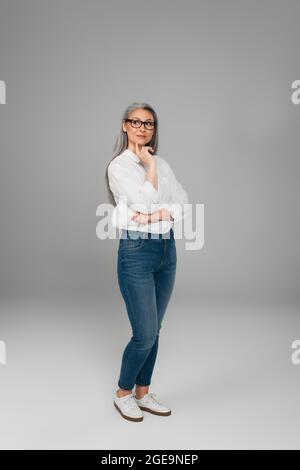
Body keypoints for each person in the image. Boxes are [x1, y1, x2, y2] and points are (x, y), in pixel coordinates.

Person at [106, 102, 189, 422]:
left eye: (149, 124)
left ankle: (143, 392)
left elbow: (181, 199)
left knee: (156, 329)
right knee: (144, 333)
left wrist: (160, 213)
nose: (142, 128)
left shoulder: (163, 163)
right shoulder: (119, 166)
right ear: (124, 126)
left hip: (167, 251)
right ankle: (123, 393)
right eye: (136, 122)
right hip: (137, 251)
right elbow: (145, 200)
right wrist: (149, 168)